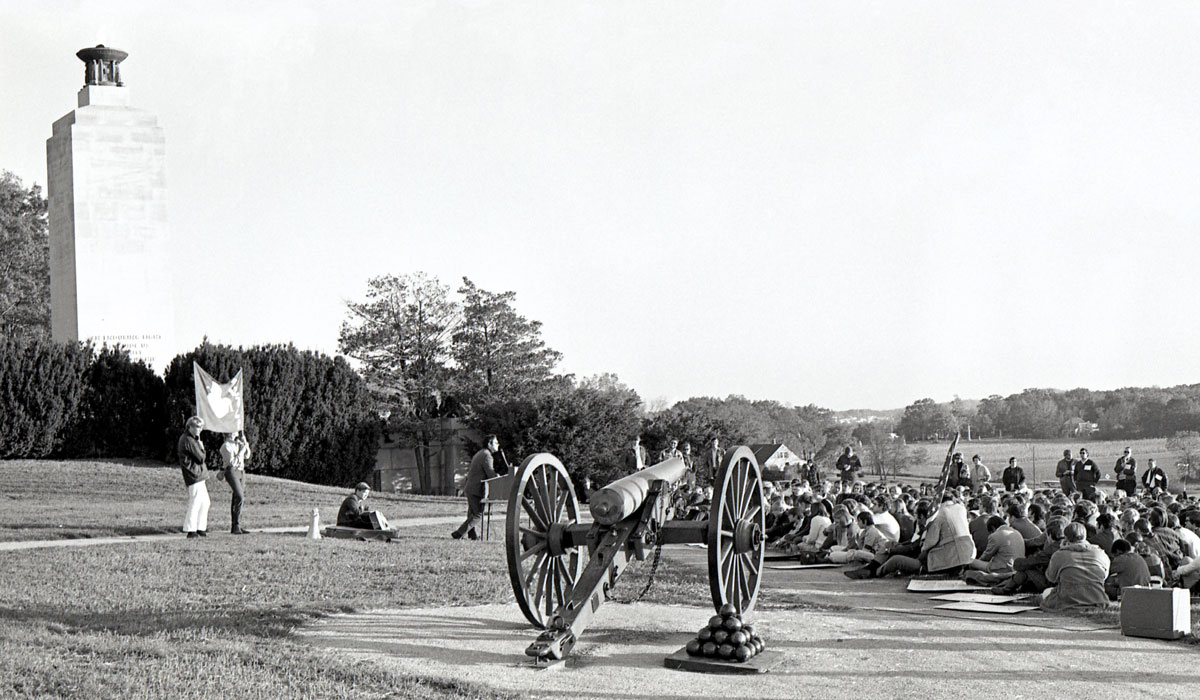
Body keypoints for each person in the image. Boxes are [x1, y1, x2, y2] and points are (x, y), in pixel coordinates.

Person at [1039, 522, 1110, 610]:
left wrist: (1061, 549)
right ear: (1085, 536)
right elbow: (1104, 576)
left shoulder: (1060, 554)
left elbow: (1051, 577)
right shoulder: (1100, 553)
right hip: (1097, 599)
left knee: (1046, 593)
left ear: (1065, 538)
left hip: (1068, 600)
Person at [452, 434, 500, 540]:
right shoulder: (487, 455)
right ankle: (459, 533)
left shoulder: (480, 453)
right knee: (478, 514)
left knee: (472, 513)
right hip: (476, 489)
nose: (498, 444)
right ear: (489, 444)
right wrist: (497, 476)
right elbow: (490, 475)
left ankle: (472, 534)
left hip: (471, 487)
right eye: (496, 442)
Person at [179, 416, 211, 539]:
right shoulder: (188, 440)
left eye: (201, 427)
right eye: (197, 427)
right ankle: (191, 530)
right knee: (195, 502)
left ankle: (200, 528)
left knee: (205, 502)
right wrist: (201, 446)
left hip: (198, 474)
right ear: (190, 426)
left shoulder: (192, 439)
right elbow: (201, 458)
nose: (199, 429)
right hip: (193, 474)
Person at [220, 431, 252, 534]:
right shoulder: (226, 446)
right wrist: (241, 451)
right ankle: (236, 525)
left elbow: (247, 455)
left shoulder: (238, 443)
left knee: (236, 498)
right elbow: (232, 463)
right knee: (239, 496)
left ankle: (236, 525)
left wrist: (245, 442)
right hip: (231, 471)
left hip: (241, 471)